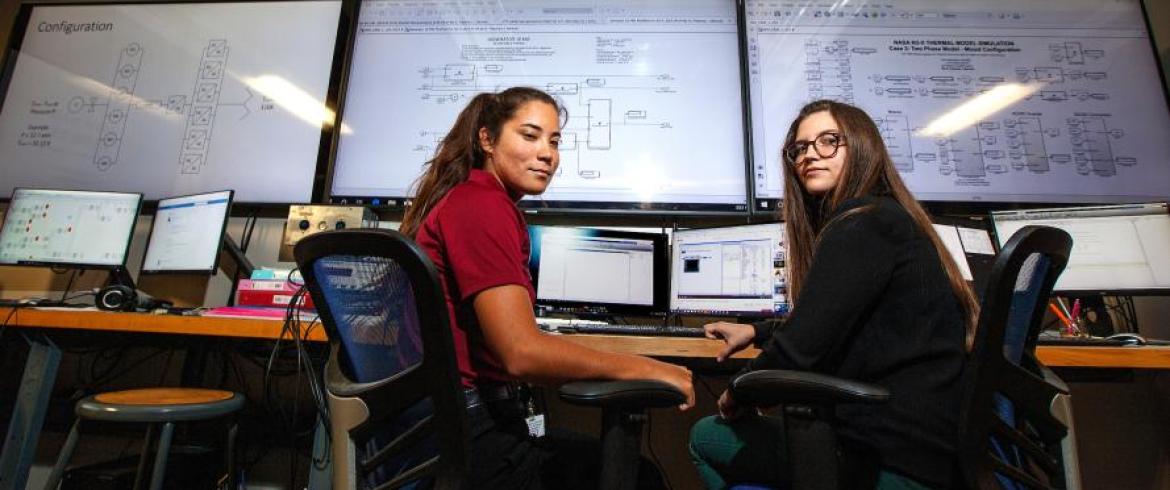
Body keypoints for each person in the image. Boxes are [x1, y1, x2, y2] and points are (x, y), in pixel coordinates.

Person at [398, 86, 695, 489]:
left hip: (443, 429)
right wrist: (649, 368)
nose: (547, 154)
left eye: (554, 141)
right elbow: (522, 354)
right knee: (641, 478)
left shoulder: (468, 199)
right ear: (487, 139)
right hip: (471, 437)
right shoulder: (481, 205)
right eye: (530, 135)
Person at [689, 99, 980, 489]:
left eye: (828, 141)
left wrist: (738, 391)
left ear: (861, 145)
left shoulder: (863, 223)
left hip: (887, 460)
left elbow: (799, 351)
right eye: (801, 148)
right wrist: (758, 333)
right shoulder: (890, 217)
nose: (811, 155)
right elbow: (837, 320)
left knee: (706, 436)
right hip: (925, 456)